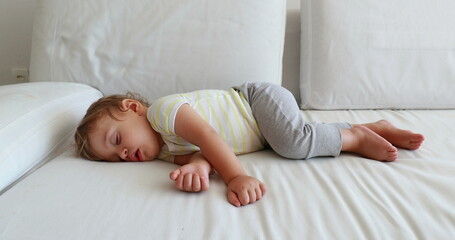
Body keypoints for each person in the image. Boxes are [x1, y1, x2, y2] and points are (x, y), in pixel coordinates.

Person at [74, 82, 425, 207]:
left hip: (258, 101)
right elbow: (201, 153)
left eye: (117, 139)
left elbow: (209, 138)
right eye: (116, 158)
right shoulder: (165, 152)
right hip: (263, 131)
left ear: (133, 108)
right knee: (290, 138)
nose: (123, 154)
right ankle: (371, 126)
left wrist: (236, 176)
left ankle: (356, 138)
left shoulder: (164, 112)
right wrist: (197, 167)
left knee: (291, 144)